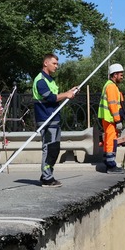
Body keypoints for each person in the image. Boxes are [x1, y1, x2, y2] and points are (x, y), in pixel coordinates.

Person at [31, 54, 79, 186]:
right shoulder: (40, 80)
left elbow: (56, 96)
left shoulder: (50, 80)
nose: (56, 66)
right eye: (54, 63)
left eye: (57, 64)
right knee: (49, 148)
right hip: (46, 119)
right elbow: (50, 98)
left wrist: (68, 92)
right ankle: (47, 178)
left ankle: (47, 175)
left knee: (55, 148)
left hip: (54, 118)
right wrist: (66, 95)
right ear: (46, 63)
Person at [96, 62, 125, 174]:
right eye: (120, 74)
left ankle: (108, 162)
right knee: (111, 141)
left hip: (108, 118)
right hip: (110, 119)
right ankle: (111, 166)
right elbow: (113, 105)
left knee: (109, 140)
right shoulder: (111, 87)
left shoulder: (109, 85)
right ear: (114, 75)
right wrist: (118, 120)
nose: (122, 76)